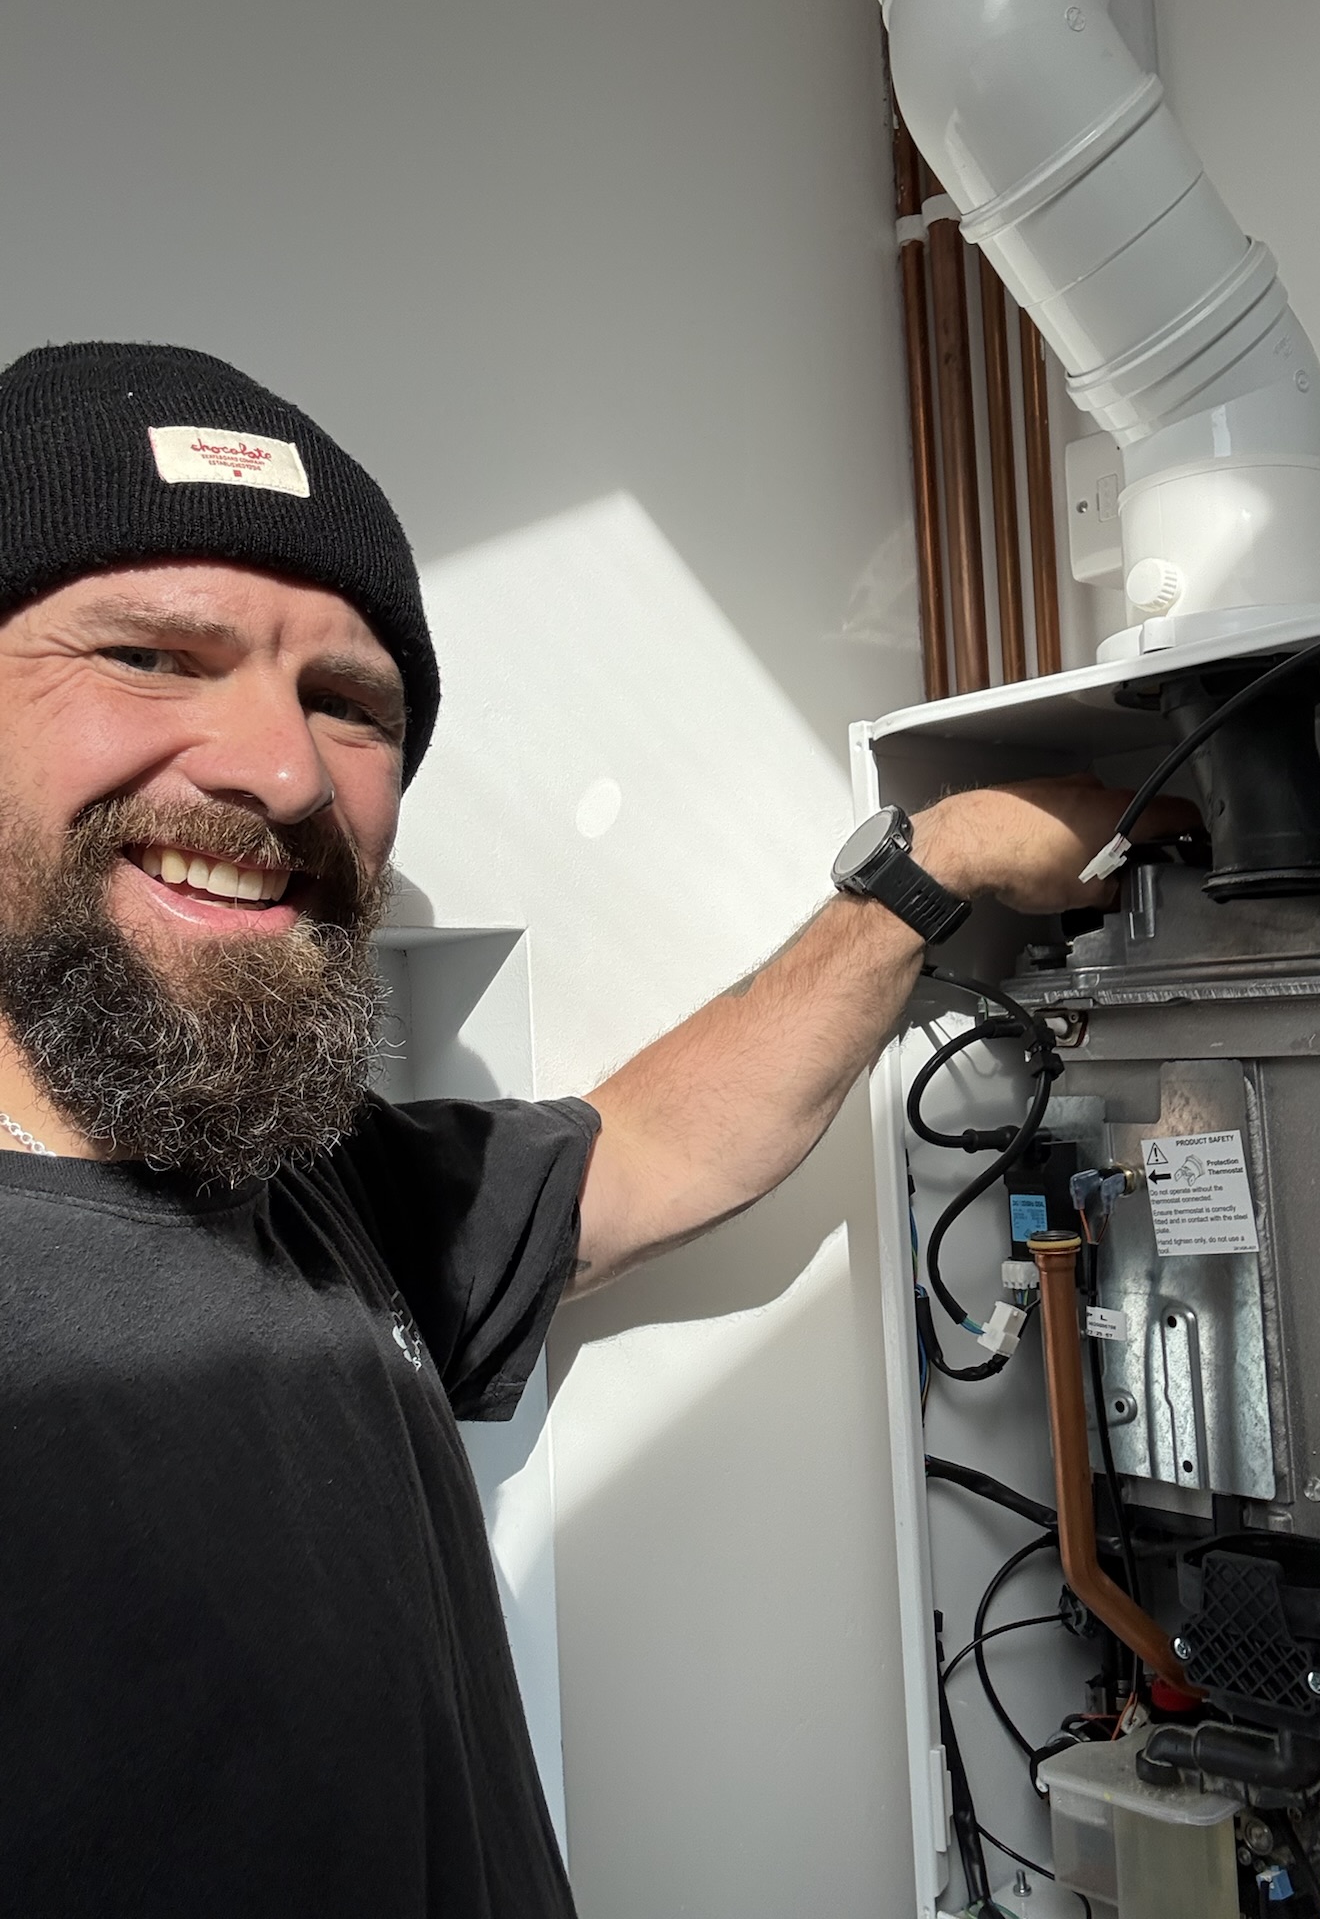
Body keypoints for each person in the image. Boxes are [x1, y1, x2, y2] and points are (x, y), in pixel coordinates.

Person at [0, 341, 1193, 1917]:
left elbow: (644, 1151)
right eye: (151, 655)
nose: (282, 772)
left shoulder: (304, 1191)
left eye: (347, 703)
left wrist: (937, 864)